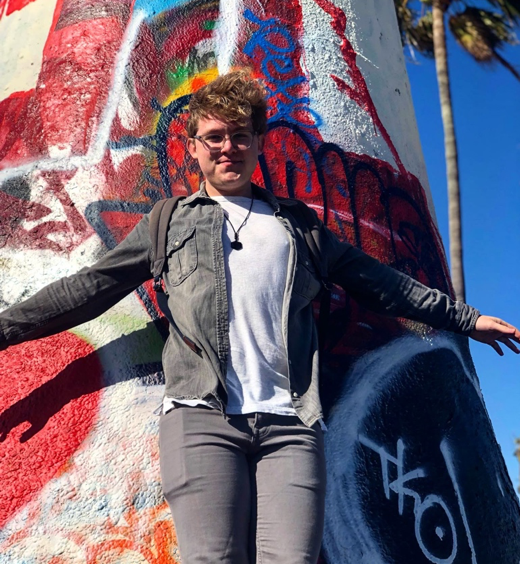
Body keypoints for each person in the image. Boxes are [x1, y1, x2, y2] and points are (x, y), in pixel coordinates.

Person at [0, 69, 518, 564]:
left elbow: (384, 286)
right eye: (215, 136)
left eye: (241, 136)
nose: (229, 147)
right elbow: (89, 288)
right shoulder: (168, 222)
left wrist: (465, 319)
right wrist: (7, 330)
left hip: (292, 424)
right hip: (201, 418)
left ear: (259, 143)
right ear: (195, 147)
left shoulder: (301, 229)